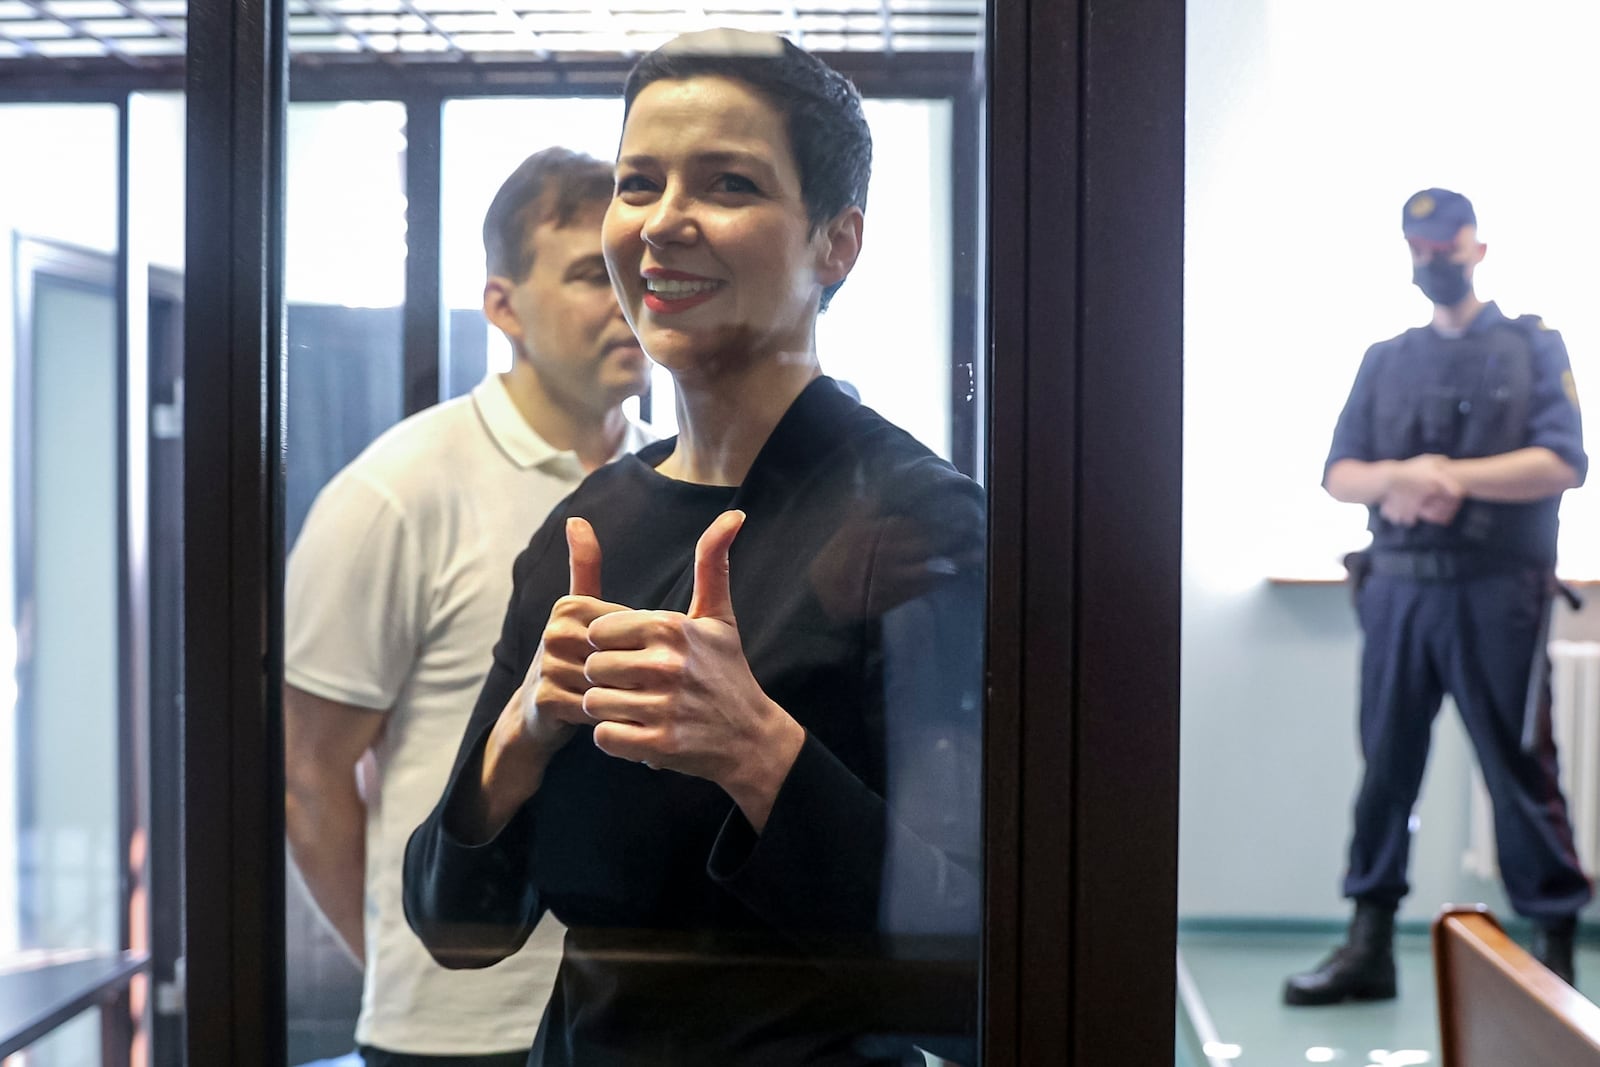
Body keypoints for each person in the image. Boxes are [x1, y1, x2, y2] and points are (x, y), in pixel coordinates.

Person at [402, 30, 984, 1066]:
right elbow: (458, 925)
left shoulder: (919, 525)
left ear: (834, 242)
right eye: (638, 182)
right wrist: (523, 732)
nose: (665, 222)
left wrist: (758, 748)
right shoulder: (591, 524)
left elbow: (972, 969)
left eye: (727, 183)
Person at [284, 147, 654, 1065]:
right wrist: (410, 972)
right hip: (451, 1035)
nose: (627, 298)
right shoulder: (396, 491)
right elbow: (310, 777)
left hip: (632, 1021)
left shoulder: (678, 481)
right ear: (503, 306)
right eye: (587, 274)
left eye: (632, 269)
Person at [1284, 188, 1592, 1006]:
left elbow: (1565, 462)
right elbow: (1338, 473)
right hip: (1398, 598)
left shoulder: (1532, 346)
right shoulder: (1387, 357)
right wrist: (1400, 480)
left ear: (1477, 249)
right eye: (1419, 249)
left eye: (1446, 248)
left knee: (1519, 769)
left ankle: (1554, 955)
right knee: (1385, 768)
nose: (1433, 262)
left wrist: (1454, 478)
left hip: (1497, 596)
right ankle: (1369, 944)